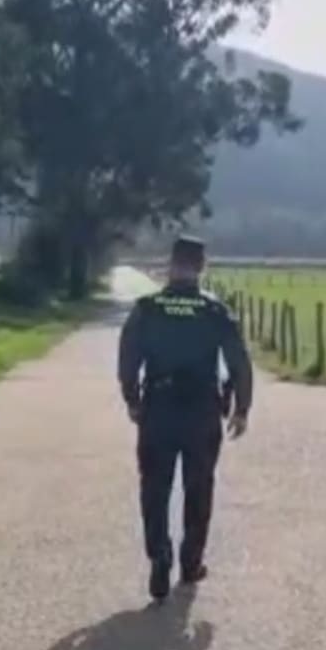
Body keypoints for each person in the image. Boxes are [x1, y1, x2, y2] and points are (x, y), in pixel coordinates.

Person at [117, 235, 252, 601]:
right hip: (201, 411)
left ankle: (159, 556)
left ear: (170, 264)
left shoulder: (148, 308)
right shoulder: (214, 310)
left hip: (158, 408)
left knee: (155, 488)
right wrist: (242, 408)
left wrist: (132, 398)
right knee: (199, 488)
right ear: (202, 267)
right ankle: (191, 563)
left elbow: (128, 357)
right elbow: (239, 361)